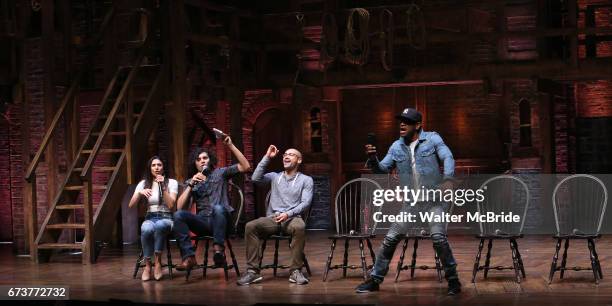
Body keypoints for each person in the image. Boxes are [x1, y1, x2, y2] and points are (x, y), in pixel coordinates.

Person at [355, 108, 462, 295]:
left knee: (438, 237)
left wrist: (448, 179)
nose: (402, 124)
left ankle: (453, 280)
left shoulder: (432, 139)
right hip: (412, 204)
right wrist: (372, 158)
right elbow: (382, 170)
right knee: (390, 239)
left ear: (418, 125)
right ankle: (375, 279)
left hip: (434, 201)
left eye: (407, 121)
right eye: (401, 121)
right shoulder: (396, 146)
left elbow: (448, 156)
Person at [237, 146, 314, 286]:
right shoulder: (275, 176)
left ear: (299, 160)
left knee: (300, 226)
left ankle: (295, 271)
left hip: (292, 218)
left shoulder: (306, 180)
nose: (286, 156)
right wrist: (267, 157)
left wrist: (288, 214)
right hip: (272, 218)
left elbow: (305, 203)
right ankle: (252, 272)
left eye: (291, 154)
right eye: (285, 154)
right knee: (250, 226)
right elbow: (255, 178)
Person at [173, 135, 250, 272]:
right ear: (195, 164)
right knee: (178, 215)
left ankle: (218, 251)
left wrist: (231, 145)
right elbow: (179, 207)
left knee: (218, 208)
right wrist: (191, 185)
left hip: (222, 222)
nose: (202, 161)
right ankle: (189, 257)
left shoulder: (220, 173)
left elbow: (246, 166)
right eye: (198, 160)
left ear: (210, 160)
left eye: (205, 158)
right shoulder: (192, 180)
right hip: (203, 222)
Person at [128, 156, 178, 281]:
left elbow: (171, 205)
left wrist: (162, 186)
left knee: (160, 226)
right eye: (153, 165)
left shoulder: (171, 182)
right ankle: (148, 265)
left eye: (159, 165)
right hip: (150, 216)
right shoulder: (144, 183)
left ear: (163, 167)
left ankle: (158, 262)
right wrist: (140, 193)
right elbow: (131, 205)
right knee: (146, 228)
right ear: (150, 168)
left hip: (166, 217)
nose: (156, 167)